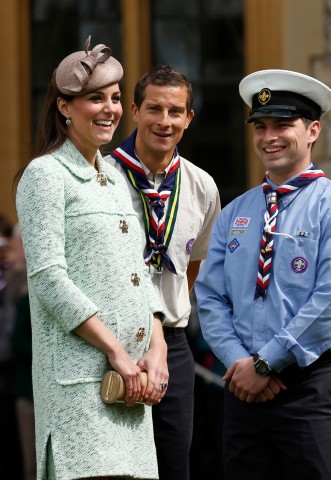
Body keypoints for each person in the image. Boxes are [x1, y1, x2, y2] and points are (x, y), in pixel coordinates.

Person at [15, 35, 168, 480]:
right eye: (93, 98)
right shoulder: (45, 174)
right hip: (82, 390)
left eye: (116, 98)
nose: (110, 109)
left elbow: (140, 271)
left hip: (132, 391)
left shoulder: (117, 176)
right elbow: (47, 279)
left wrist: (155, 346)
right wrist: (117, 352)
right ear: (64, 107)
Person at [195, 68, 331, 480]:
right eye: (260, 127)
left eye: (282, 125)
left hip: (308, 386)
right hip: (242, 390)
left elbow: (327, 300)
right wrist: (241, 362)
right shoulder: (235, 211)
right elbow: (211, 297)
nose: (268, 136)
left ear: (312, 131)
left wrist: (267, 363)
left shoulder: (326, 205)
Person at [107, 65, 221, 480]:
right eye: (154, 108)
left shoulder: (202, 187)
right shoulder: (102, 177)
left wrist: (164, 317)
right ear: (134, 111)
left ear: (189, 118)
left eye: (175, 111)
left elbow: (192, 268)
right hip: (107, 341)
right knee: (114, 468)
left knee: (174, 463)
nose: (164, 121)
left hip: (172, 344)